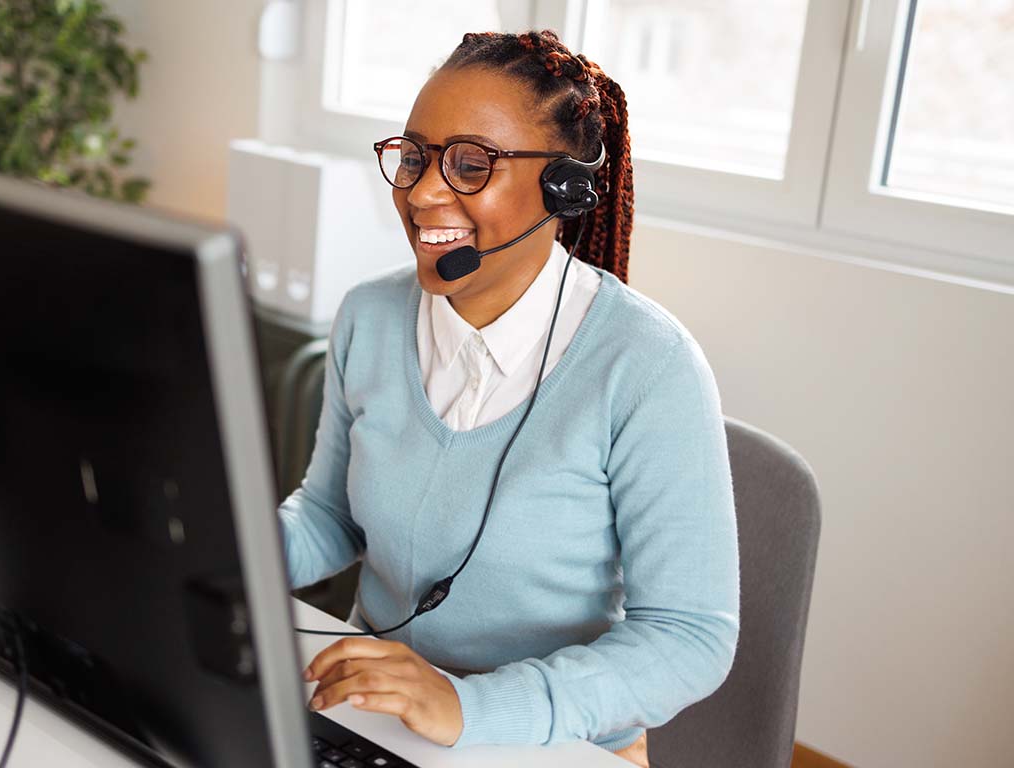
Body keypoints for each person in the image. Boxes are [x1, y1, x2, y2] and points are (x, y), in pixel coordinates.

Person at [278, 29, 739, 767]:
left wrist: (468, 706)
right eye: (415, 158)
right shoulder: (368, 316)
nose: (424, 191)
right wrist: (225, 545)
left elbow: (689, 637)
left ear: (562, 187)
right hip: (374, 717)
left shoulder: (649, 366)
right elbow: (332, 517)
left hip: (554, 744)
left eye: (470, 164)